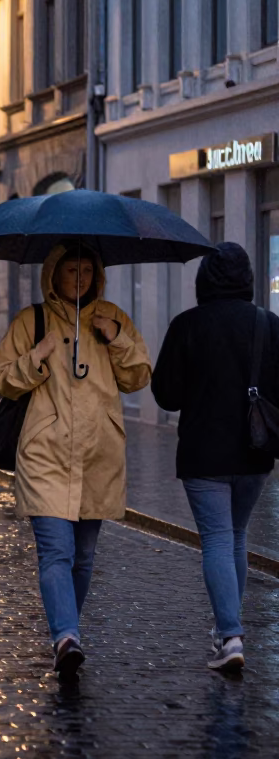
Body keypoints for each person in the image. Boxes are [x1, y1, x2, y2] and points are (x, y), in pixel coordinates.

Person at [0, 241, 151, 680]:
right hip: (45, 453)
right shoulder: (32, 320)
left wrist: (115, 339)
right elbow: (0, 379)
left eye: (85, 271)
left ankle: (68, 634)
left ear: (96, 275)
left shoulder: (113, 317)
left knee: (83, 556)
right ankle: (66, 636)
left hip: (98, 454)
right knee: (55, 552)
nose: (78, 278)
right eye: (70, 271)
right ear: (54, 275)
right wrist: (36, 359)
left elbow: (139, 377)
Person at [151, 242, 279, 672]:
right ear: (248, 280)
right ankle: (228, 629)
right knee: (236, 537)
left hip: (205, 453)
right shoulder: (269, 324)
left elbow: (165, 394)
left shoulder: (188, 325)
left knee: (219, 541)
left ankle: (230, 635)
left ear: (203, 279)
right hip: (256, 451)